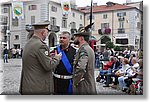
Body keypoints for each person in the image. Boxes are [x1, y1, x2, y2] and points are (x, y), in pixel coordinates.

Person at [19, 21, 62, 95]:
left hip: (28, 86)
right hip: (38, 87)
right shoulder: (41, 46)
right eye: (47, 32)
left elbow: (35, 60)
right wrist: (57, 58)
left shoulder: (29, 43)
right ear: (43, 32)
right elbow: (48, 66)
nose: (47, 35)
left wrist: (48, 57)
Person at [72, 23, 97, 95]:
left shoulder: (83, 50)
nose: (74, 38)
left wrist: (75, 81)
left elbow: (81, 68)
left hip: (83, 87)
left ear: (81, 38)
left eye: (76, 36)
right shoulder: (88, 48)